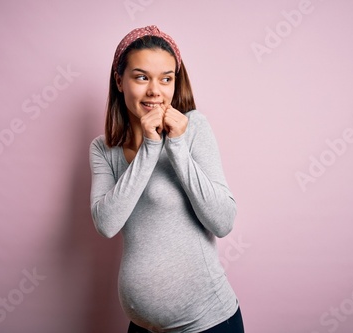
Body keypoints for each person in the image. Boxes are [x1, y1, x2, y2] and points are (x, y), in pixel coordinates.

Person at [89, 25, 244, 333]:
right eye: (141, 77)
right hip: (142, 327)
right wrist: (149, 147)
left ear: (176, 82)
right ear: (120, 81)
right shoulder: (103, 149)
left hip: (208, 323)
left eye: (166, 78)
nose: (155, 91)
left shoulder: (194, 127)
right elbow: (106, 223)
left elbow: (223, 222)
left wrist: (175, 145)